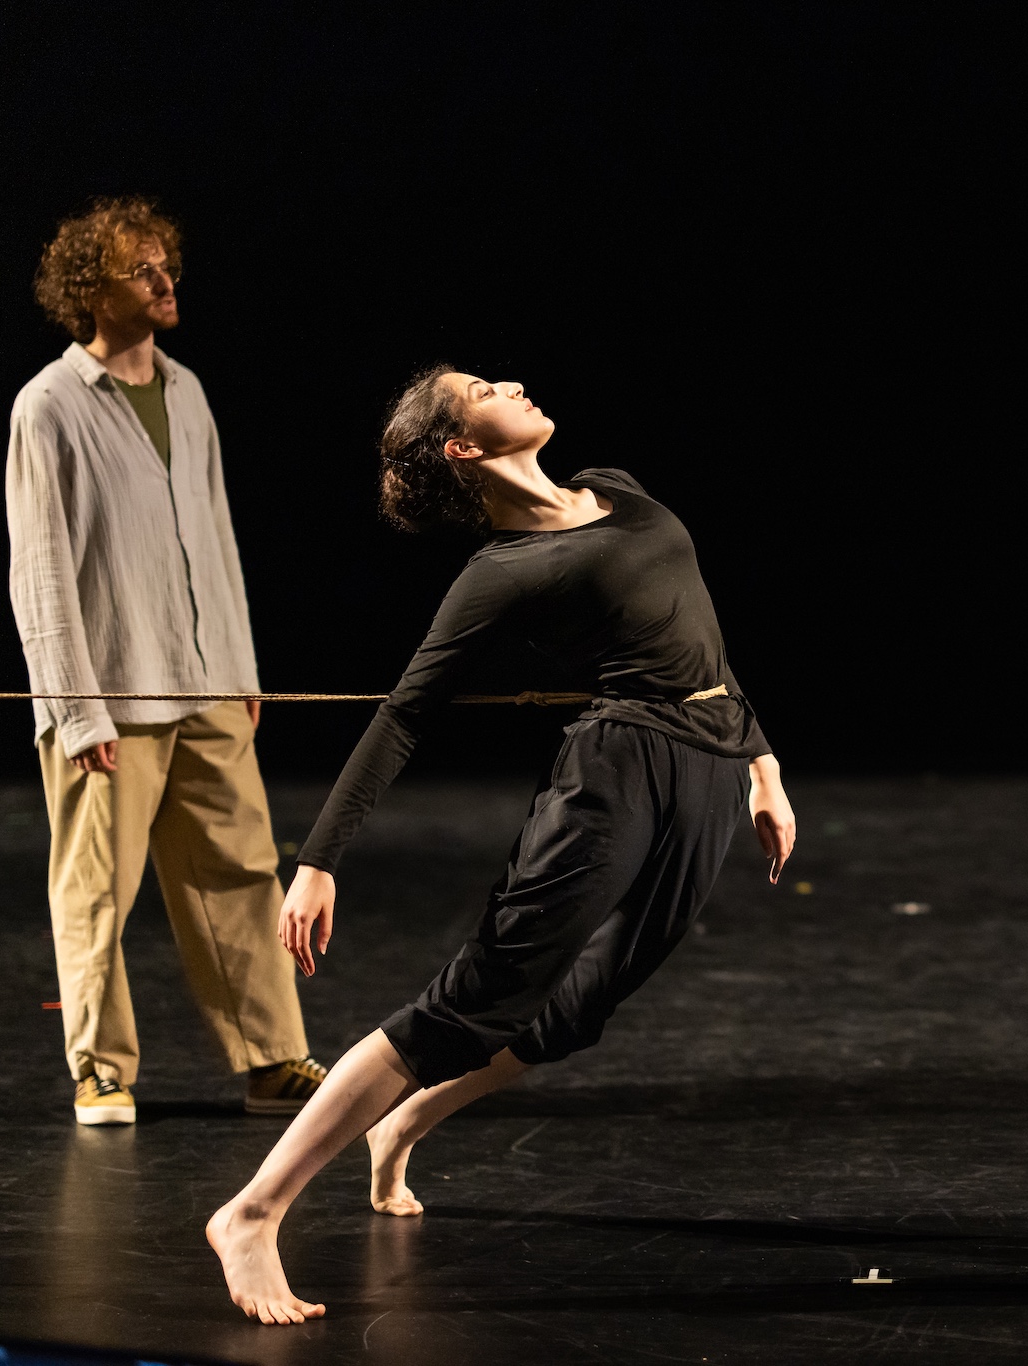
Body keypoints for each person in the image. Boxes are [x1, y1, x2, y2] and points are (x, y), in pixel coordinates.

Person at [206, 366, 799, 1325]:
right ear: (463, 447)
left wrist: (762, 763)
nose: (513, 380)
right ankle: (251, 1212)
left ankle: (400, 1124)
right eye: (482, 386)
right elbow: (404, 717)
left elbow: (706, 638)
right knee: (477, 998)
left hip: (714, 770)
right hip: (618, 775)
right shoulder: (501, 570)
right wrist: (317, 861)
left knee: (582, 1006)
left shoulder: (620, 486)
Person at [7, 197, 325, 1126]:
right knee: (99, 888)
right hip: (112, 694)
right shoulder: (50, 406)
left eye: (165, 265)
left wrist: (241, 664)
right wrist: (74, 709)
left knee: (240, 869)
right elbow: (41, 570)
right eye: (140, 270)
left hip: (206, 682)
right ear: (89, 292)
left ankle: (272, 1060)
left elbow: (216, 539)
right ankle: (100, 1067)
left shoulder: (186, 390)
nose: (163, 281)